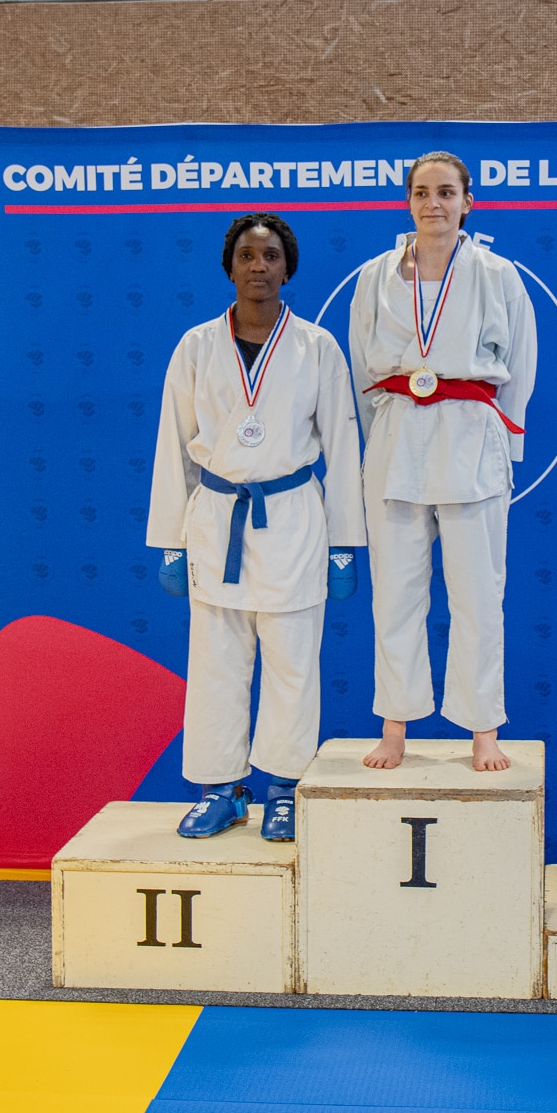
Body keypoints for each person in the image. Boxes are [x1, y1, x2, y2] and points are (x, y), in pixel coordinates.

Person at [146, 213, 366, 841]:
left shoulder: (317, 347)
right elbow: (173, 445)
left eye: (271, 256)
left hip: (293, 518)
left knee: (293, 663)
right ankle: (221, 789)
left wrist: (345, 544)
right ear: (230, 266)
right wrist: (171, 540)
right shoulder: (195, 346)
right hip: (218, 518)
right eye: (247, 255)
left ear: (287, 268)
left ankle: (285, 789)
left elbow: (343, 443)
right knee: (217, 663)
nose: (259, 266)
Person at [350, 152, 536, 773]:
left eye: (447, 192)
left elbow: (521, 368)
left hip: (471, 437)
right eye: (423, 192)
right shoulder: (375, 277)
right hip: (398, 435)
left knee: (479, 594)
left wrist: (505, 445)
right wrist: (379, 440)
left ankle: (484, 729)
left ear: (467, 201)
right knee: (395, 594)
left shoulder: (498, 275)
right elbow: (362, 367)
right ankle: (394, 724)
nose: (434, 203)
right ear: (408, 201)